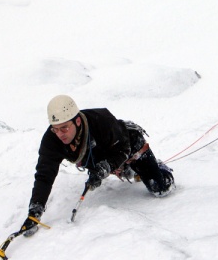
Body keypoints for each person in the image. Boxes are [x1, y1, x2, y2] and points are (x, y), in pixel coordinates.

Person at [21, 95, 175, 236]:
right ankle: (127, 170)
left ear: (78, 121)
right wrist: (35, 212)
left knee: (159, 189)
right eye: (55, 129)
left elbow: (124, 148)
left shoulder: (101, 121)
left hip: (128, 144)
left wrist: (106, 166)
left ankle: (159, 168)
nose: (60, 134)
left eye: (64, 128)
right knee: (126, 171)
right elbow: (44, 175)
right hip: (100, 156)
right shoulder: (52, 139)